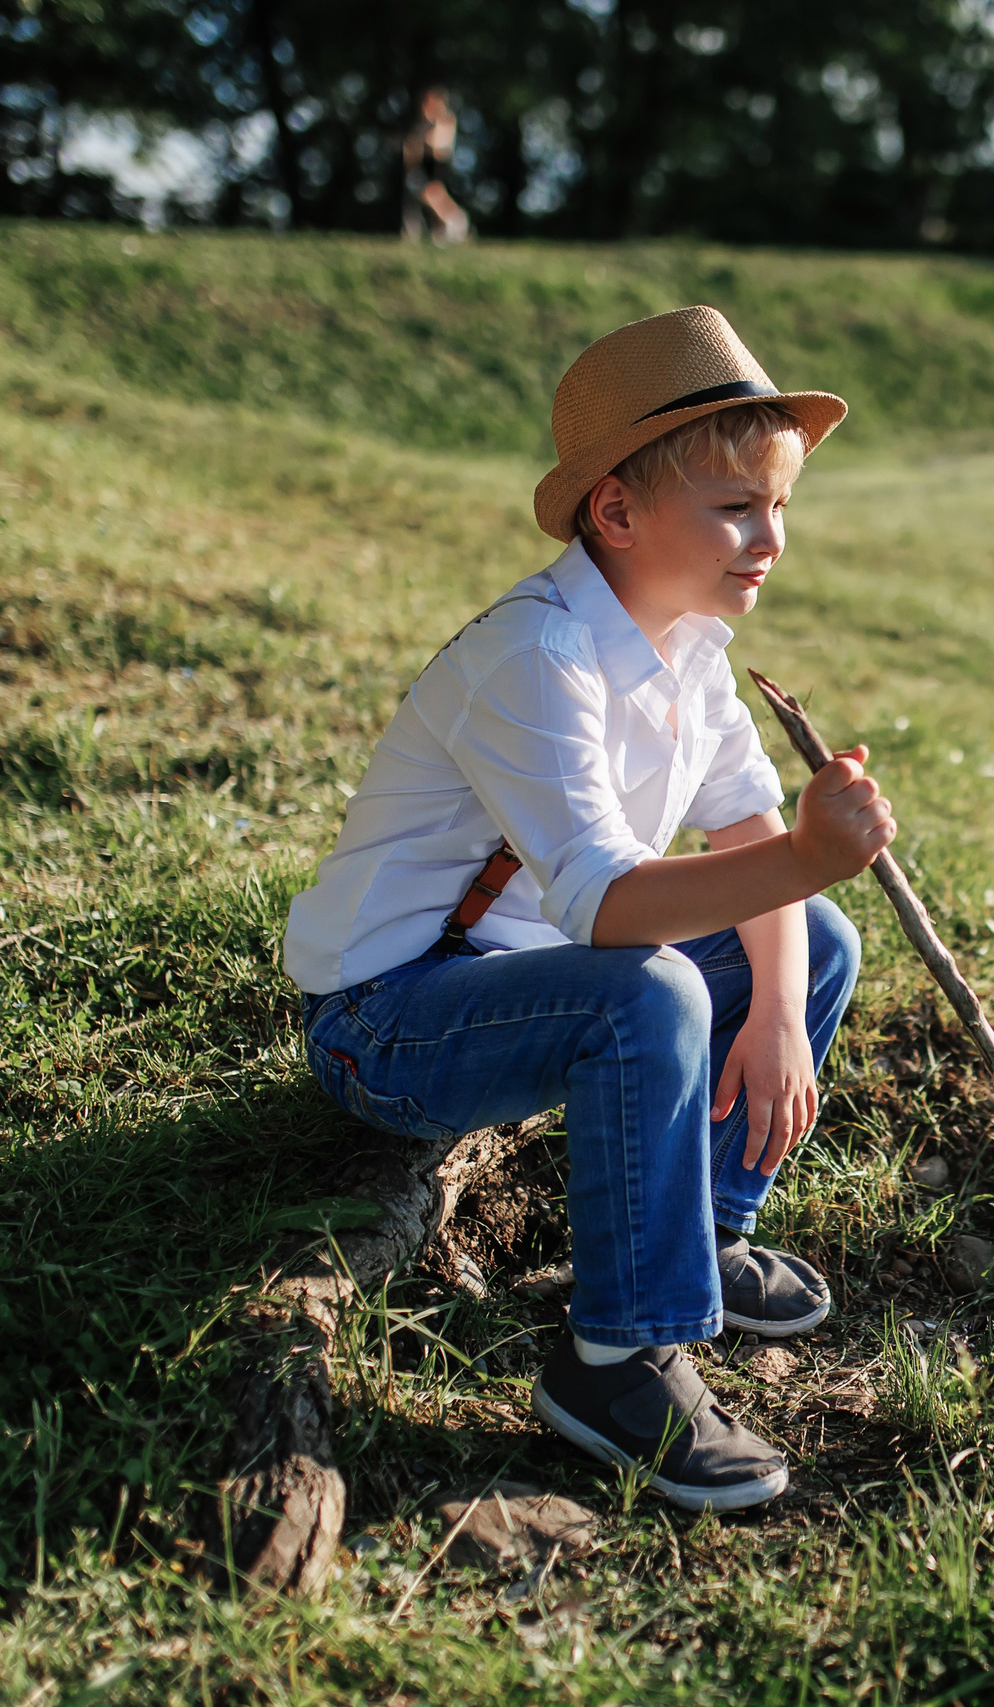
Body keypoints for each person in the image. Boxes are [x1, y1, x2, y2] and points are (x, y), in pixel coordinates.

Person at [281, 307, 887, 1511]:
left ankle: (704, 1229)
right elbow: (609, 907)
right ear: (615, 512)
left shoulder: (691, 646)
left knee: (813, 945)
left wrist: (772, 999)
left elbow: (745, 832)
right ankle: (614, 1360)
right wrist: (808, 861)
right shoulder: (534, 658)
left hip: (543, 988)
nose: (767, 538)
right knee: (651, 983)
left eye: (779, 508)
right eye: (732, 507)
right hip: (393, 1020)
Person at [401, 87, 471, 244]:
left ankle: (457, 220)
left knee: (432, 194)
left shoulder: (445, 120)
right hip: (425, 163)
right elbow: (411, 149)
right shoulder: (424, 123)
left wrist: (422, 141)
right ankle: (442, 229)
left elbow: (439, 146)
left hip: (438, 163)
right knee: (429, 197)